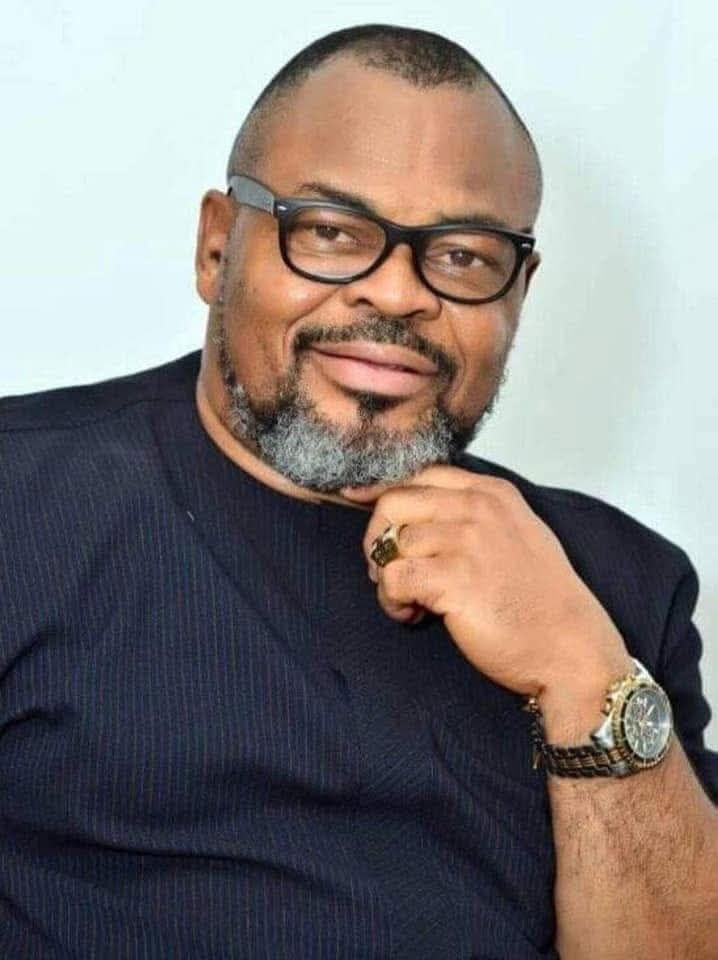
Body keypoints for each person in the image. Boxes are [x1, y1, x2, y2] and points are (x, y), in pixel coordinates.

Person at [1, 23, 716, 960]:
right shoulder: (21, 506)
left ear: (519, 291)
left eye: (462, 255)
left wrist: (581, 672)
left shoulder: (617, 585)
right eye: (332, 233)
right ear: (218, 248)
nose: (397, 292)